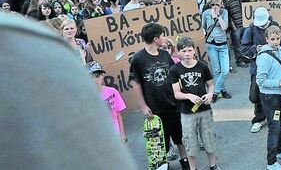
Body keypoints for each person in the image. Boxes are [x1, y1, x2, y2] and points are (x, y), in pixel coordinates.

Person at [1, 13, 137, 169]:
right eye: (66, 28)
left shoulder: (74, 47)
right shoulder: (49, 54)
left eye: (72, 28)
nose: (70, 31)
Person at [129, 23, 189, 169]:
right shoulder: (138, 58)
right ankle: (163, 164)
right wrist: (143, 106)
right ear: (156, 39)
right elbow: (135, 84)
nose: (164, 38)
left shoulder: (164, 54)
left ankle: (185, 161)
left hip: (172, 103)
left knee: (179, 135)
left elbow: (174, 75)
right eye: (162, 35)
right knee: (159, 139)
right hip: (154, 107)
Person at [169, 37, 220, 170]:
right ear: (178, 52)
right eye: (184, 51)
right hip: (187, 112)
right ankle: (193, 168)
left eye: (189, 50)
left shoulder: (202, 65)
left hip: (204, 109)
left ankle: (213, 166)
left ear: (194, 51)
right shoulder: (175, 70)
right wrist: (188, 96)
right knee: (190, 143)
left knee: (209, 139)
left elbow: (211, 84)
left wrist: (209, 94)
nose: (187, 53)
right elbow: (176, 93)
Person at [242, 7, 281, 133]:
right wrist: (255, 49)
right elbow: (244, 49)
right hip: (259, 67)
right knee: (257, 95)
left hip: (277, 67)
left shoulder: (275, 26)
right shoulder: (251, 29)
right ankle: (259, 118)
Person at [256, 25, 281, 170]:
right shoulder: (264, 57)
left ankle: (279, 150)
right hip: (269, 97)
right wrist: (280, 83)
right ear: (266, 39)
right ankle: (271, 162)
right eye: (272, 39)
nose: (276, 41)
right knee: (274, 128)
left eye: (278, 38)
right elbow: (260, 81)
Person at [88, 61, 127, 142]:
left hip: (116, 135)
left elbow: (118, 114)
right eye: (91, 77)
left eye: (97, 76)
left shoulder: (112, 92)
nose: (95, 80)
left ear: (102, 75)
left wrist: (122, 135)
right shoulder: (86, 98)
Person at [202, 0, 231, 100]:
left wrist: (218, 16)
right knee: (216, 70)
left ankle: (215, 91)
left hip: (222, 44)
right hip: (211, 44)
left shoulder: (224, 12)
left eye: (217, 5)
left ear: (221, 5)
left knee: (225, 70)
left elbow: (224, 27)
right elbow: (203, 27)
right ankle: (222, 90)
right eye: (213, 4)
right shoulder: (206, 13)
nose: (215, 7)